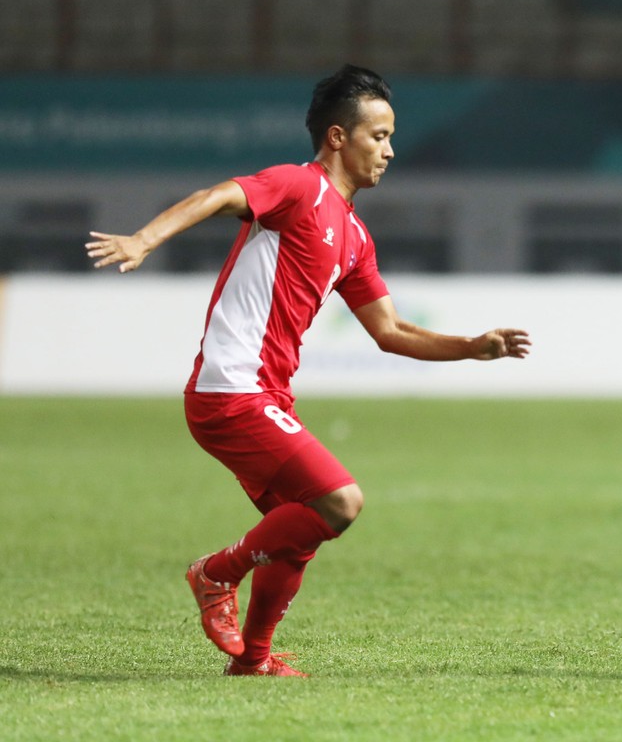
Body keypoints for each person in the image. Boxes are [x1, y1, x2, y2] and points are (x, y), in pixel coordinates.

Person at [86, 65, 531, 677]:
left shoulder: (352, 235)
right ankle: (215, 574)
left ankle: (254, 661)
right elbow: (219, 195)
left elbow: (391, 331)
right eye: (379, 136)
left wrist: (472, 345)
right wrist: (144, 238)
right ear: (338, 138)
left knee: (299, 529)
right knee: (340, 501)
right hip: (231, 389)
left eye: (392, 137)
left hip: (264, 393)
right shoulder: (297, 186)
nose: (390, 150)